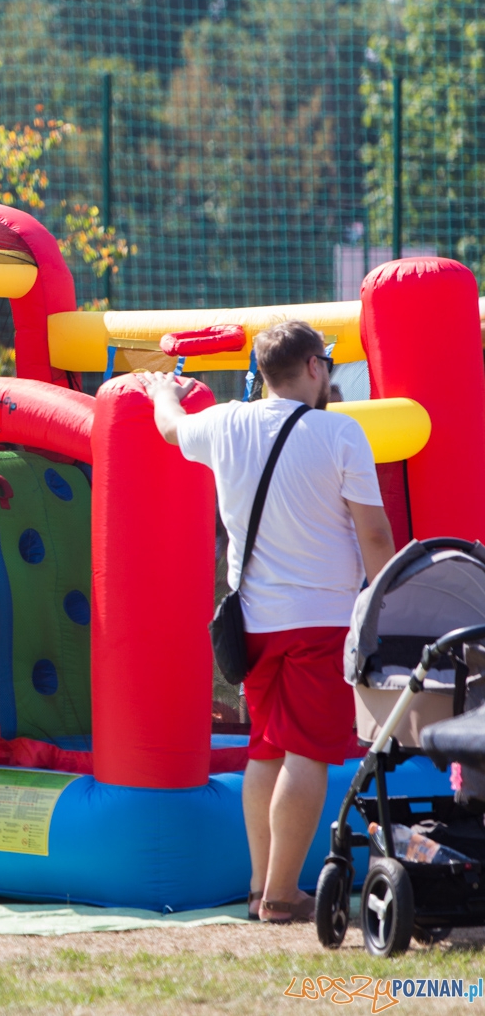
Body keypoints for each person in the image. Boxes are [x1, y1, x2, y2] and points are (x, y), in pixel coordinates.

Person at [145, 319, 396, 925]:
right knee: (306, 753)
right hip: (323, 620)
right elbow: (374, 535)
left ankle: (261, 887)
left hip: (252, 623)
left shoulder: (226, 423)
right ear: (313, 367)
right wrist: (387, 607)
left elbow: (170, 427)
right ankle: (283, 896)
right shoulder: (340, 433)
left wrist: (163, 391)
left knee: (265, 748)